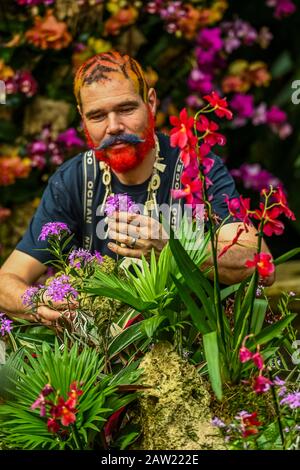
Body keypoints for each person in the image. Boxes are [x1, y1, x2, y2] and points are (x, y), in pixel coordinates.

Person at [0, 51, 275, 323]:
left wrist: (173, 249)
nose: (114, 127)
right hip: (104, 356)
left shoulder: (196, 167)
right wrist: (39, 303)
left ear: (151, 103)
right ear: (82, 118)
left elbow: (262, 263)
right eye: (97, 116)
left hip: (193, 350)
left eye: (126, 109)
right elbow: (6, 281)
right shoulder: (74, 179)